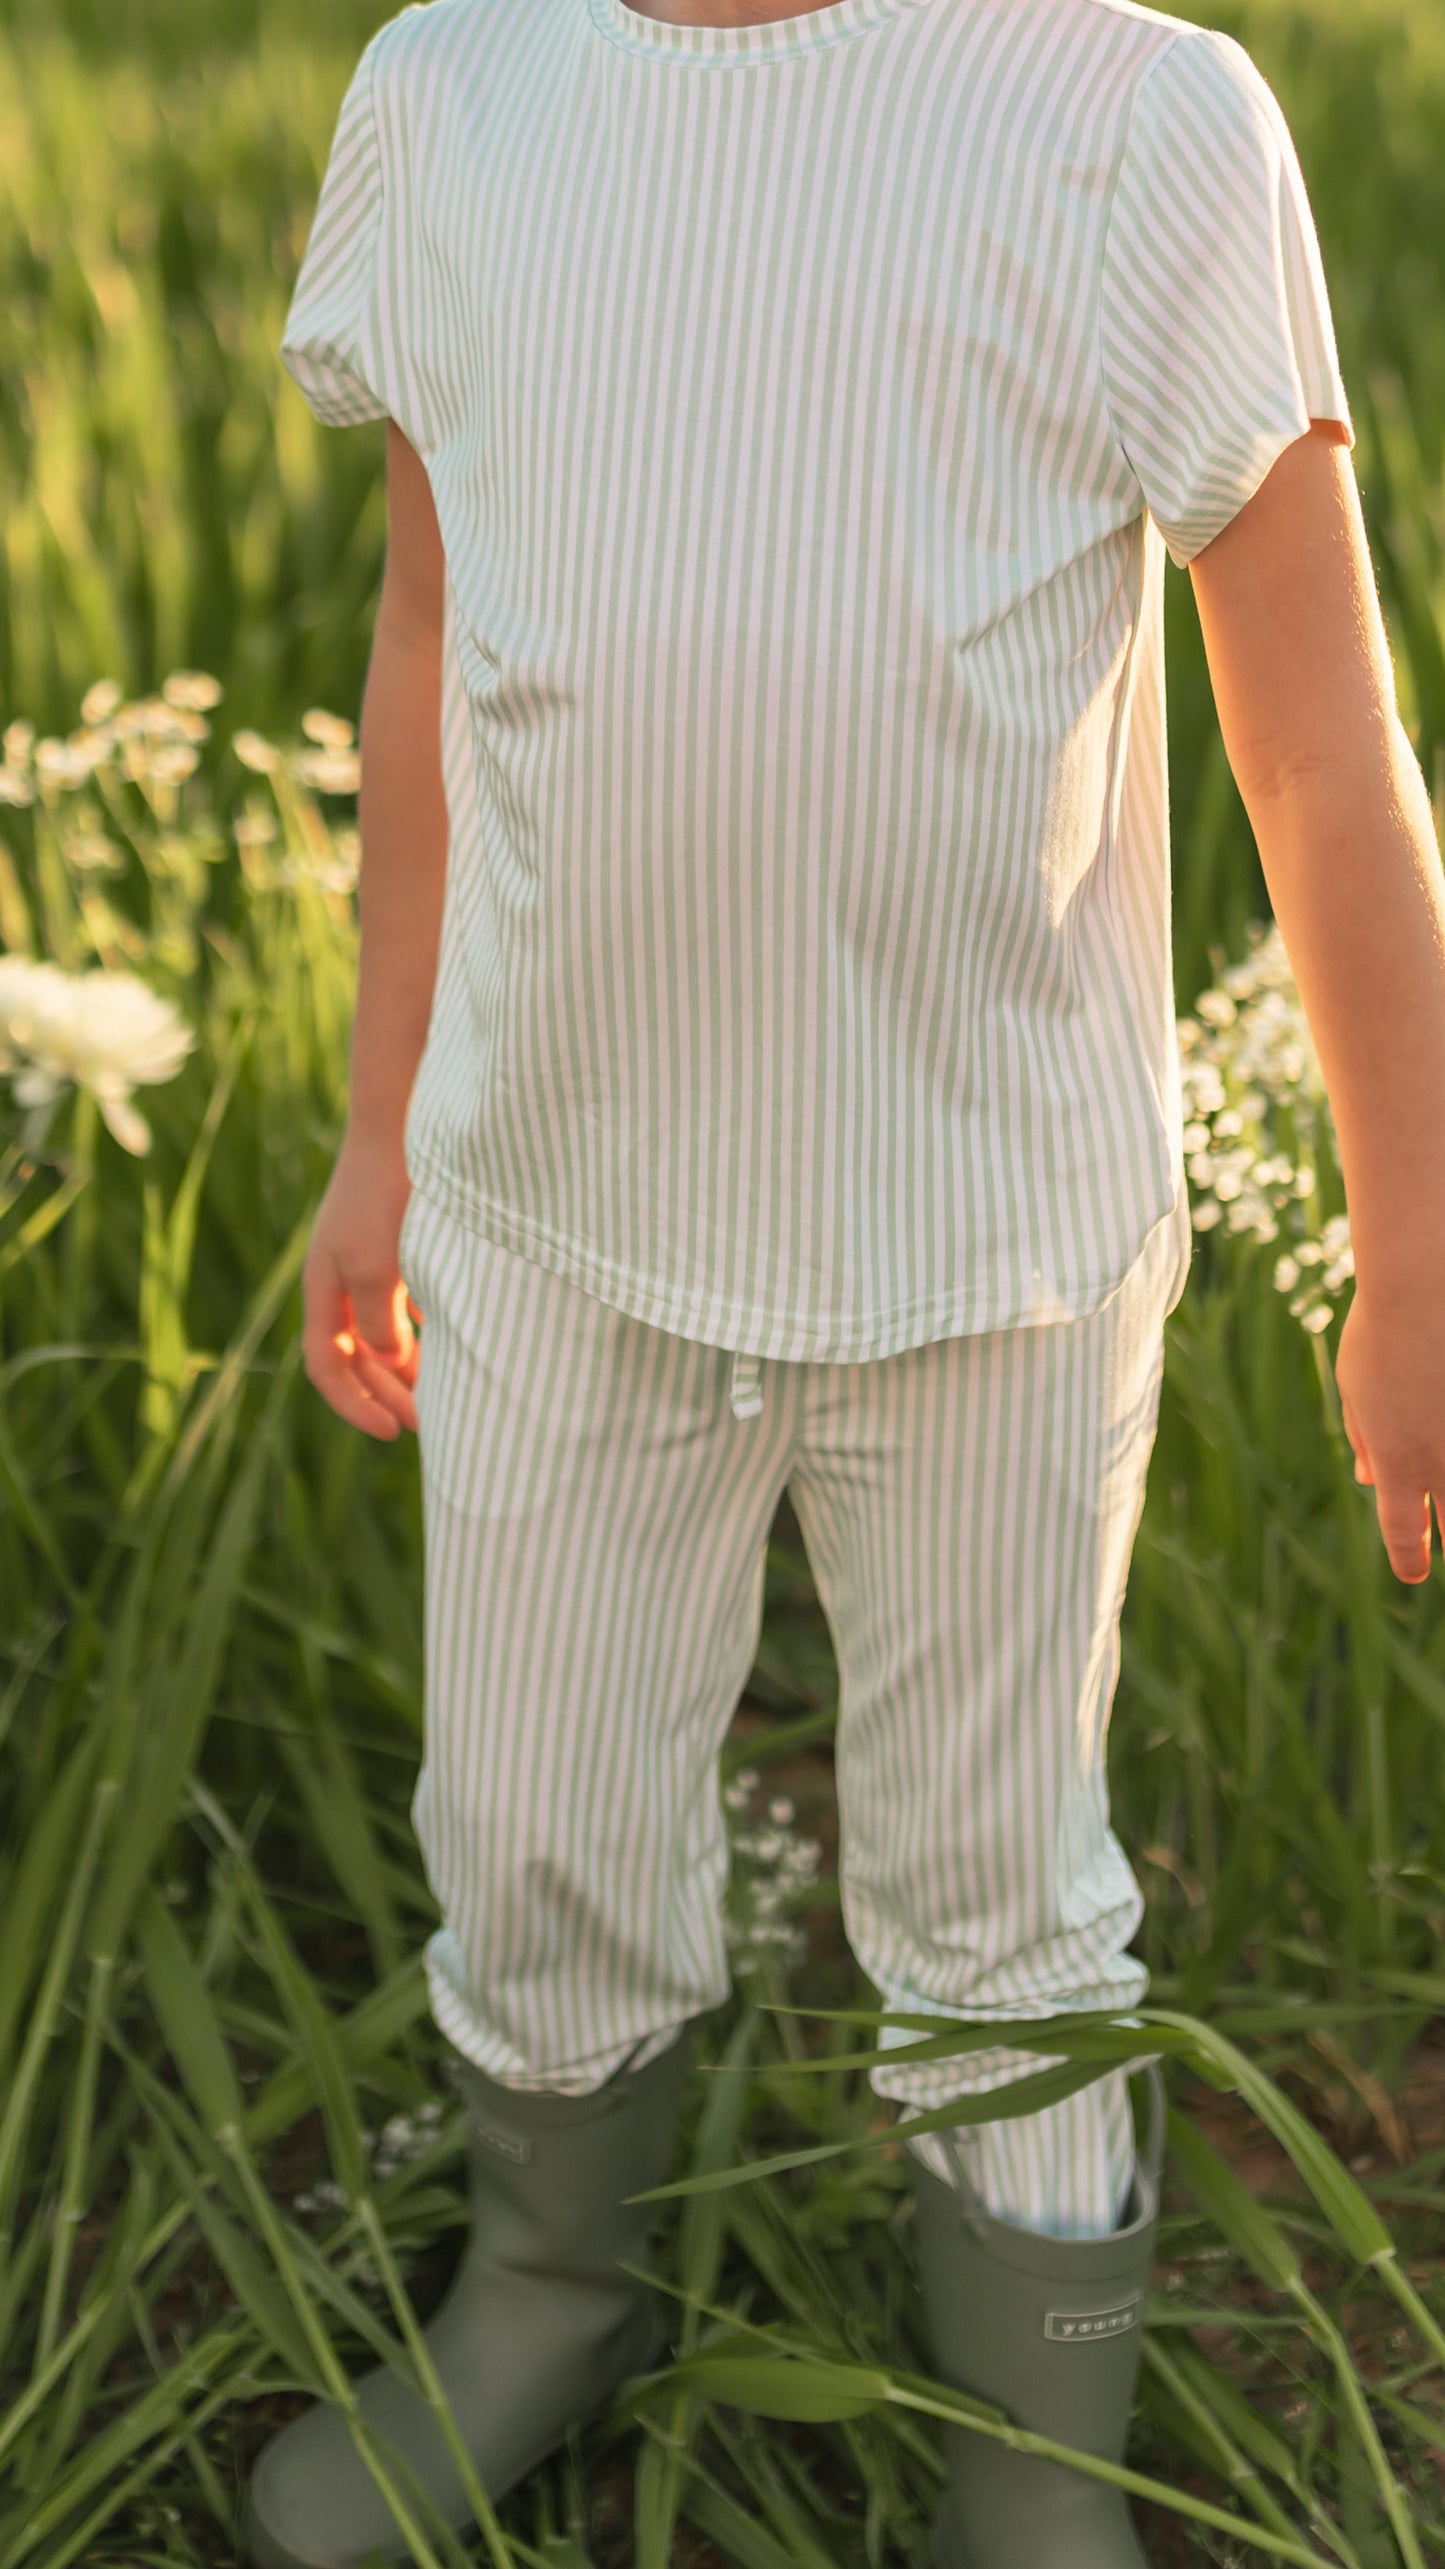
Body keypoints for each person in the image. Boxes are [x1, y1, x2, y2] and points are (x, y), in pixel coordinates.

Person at [247, 0, 1445, 2553]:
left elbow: (1323, 741)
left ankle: (1039, 2448)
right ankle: (552, 2287)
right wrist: (380, 1133)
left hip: (991, 1232)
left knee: (1001, 1885)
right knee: (534, 1815)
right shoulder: (459, 92)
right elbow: (435, 655)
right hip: (556, 1207)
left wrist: (1420, 1232)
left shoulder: (1133, 118)